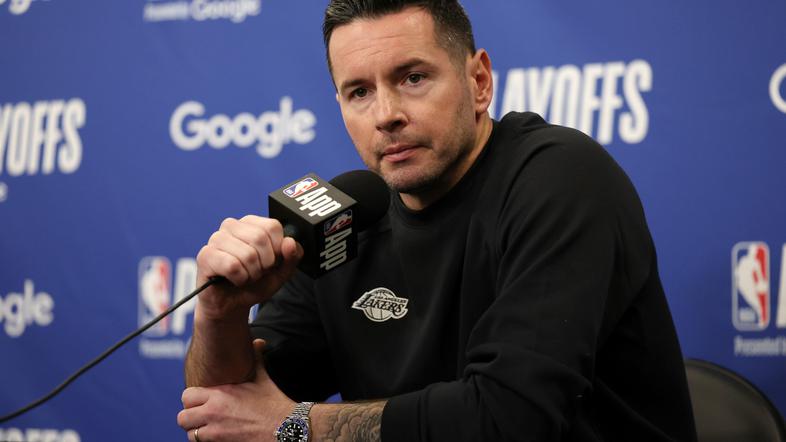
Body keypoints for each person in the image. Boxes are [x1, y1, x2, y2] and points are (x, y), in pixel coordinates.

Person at [177, 1, 697, 441]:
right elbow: (226, 413)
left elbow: (509, 419)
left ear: (479, 82)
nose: (386, 114)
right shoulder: (343, 216)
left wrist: (295, 427)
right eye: (359, 92)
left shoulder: (560, 178)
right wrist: (220, 315)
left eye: (413, 78)